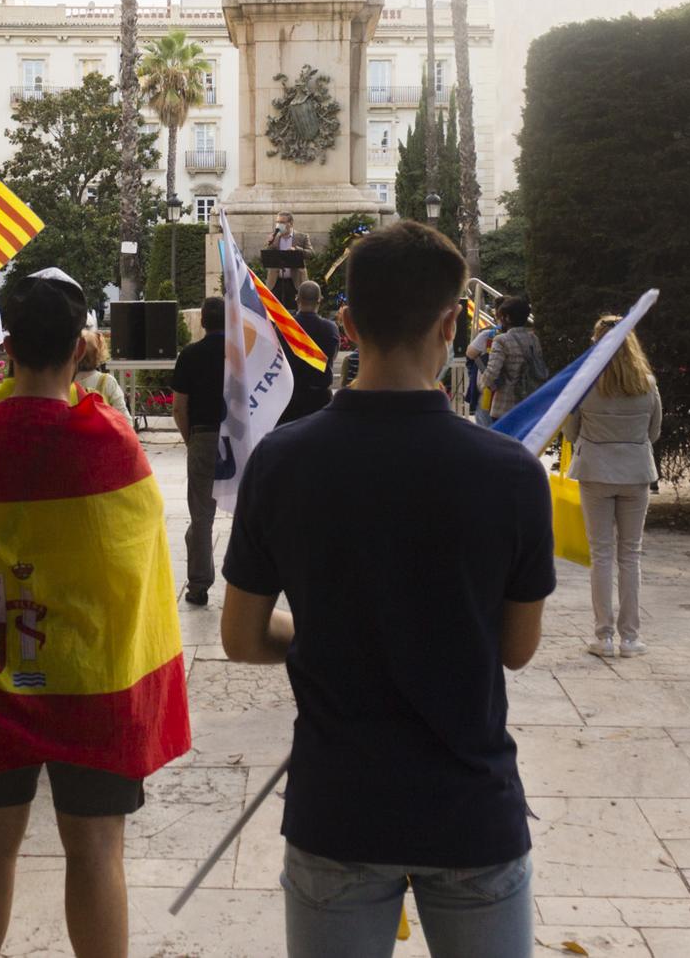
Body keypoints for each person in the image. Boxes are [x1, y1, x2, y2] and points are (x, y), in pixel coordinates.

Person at [221, 221, 551, 957]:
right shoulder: (511, 474)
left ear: (345, 324)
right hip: (471, 807)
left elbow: (242, 637)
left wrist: (329, 639)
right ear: (452, 321)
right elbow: (516, 647)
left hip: (338, 806)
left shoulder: (282, 462)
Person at [0, 268, 188, 958]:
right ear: (82, 348)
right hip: (94, 679)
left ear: (7, 345)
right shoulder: (113, 442)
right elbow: (133, 566)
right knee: (98, 850)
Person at [562, 315, 660, 659]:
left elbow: (570, 431)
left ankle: (602, 635)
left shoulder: (586, 383)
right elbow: (654, 431)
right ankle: (630, 637)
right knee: (630, 554)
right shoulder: (646, 382)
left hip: (595, 470)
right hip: (635, 472)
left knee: (601, 554)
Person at [170, 296, 226, 607]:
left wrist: (191, 439)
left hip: (204, 436)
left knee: (202, 516)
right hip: (240, 440)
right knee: (250, 511)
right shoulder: (241, 355)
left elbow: (179, 407)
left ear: (202, 321)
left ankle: (199, 585)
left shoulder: (190, 355)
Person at [278, 280, 341, 426]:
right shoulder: (330, 328)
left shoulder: (284, 328)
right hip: (320, 401)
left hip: (290, 400)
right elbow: (332, 357)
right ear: (319, 301)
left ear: (297, 299)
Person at [480, 296, 548, 423]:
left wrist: (483, 385)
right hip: (529, 402)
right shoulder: (533, 338)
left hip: (505, 405)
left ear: (507, 318)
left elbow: (492, 372)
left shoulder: (501, 340)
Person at [261, 210, 314, 306]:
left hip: (295, 282)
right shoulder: (274, 237)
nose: (278, 225)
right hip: (276, 282)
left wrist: (297, 250)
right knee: (275, 310)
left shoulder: (302, 237)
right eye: (277, 222)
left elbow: (311, 254)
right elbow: (265, 255)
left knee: (295, 311)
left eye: (282, 222)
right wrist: (269, 243)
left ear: (291, 223)